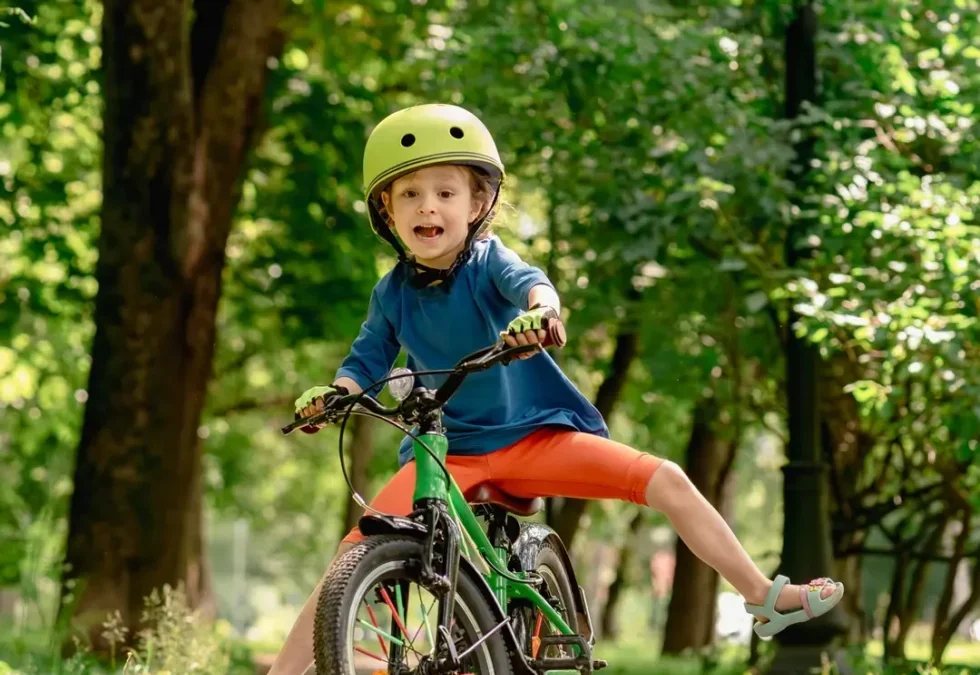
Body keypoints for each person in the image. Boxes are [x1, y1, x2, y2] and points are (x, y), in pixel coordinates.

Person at [266, 103, 843, 675]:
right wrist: (335, 393)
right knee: (352, 556)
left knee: (664, 478)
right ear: (387, 214)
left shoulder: (489, 262)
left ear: (477, 205)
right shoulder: (391, 293)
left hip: (534, 438)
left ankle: (761, 595)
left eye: (445, 192)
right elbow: (365, 359)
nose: (428, 206)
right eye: (409, 194)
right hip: (446, 455)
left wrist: (541, 314)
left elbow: (532, 286)